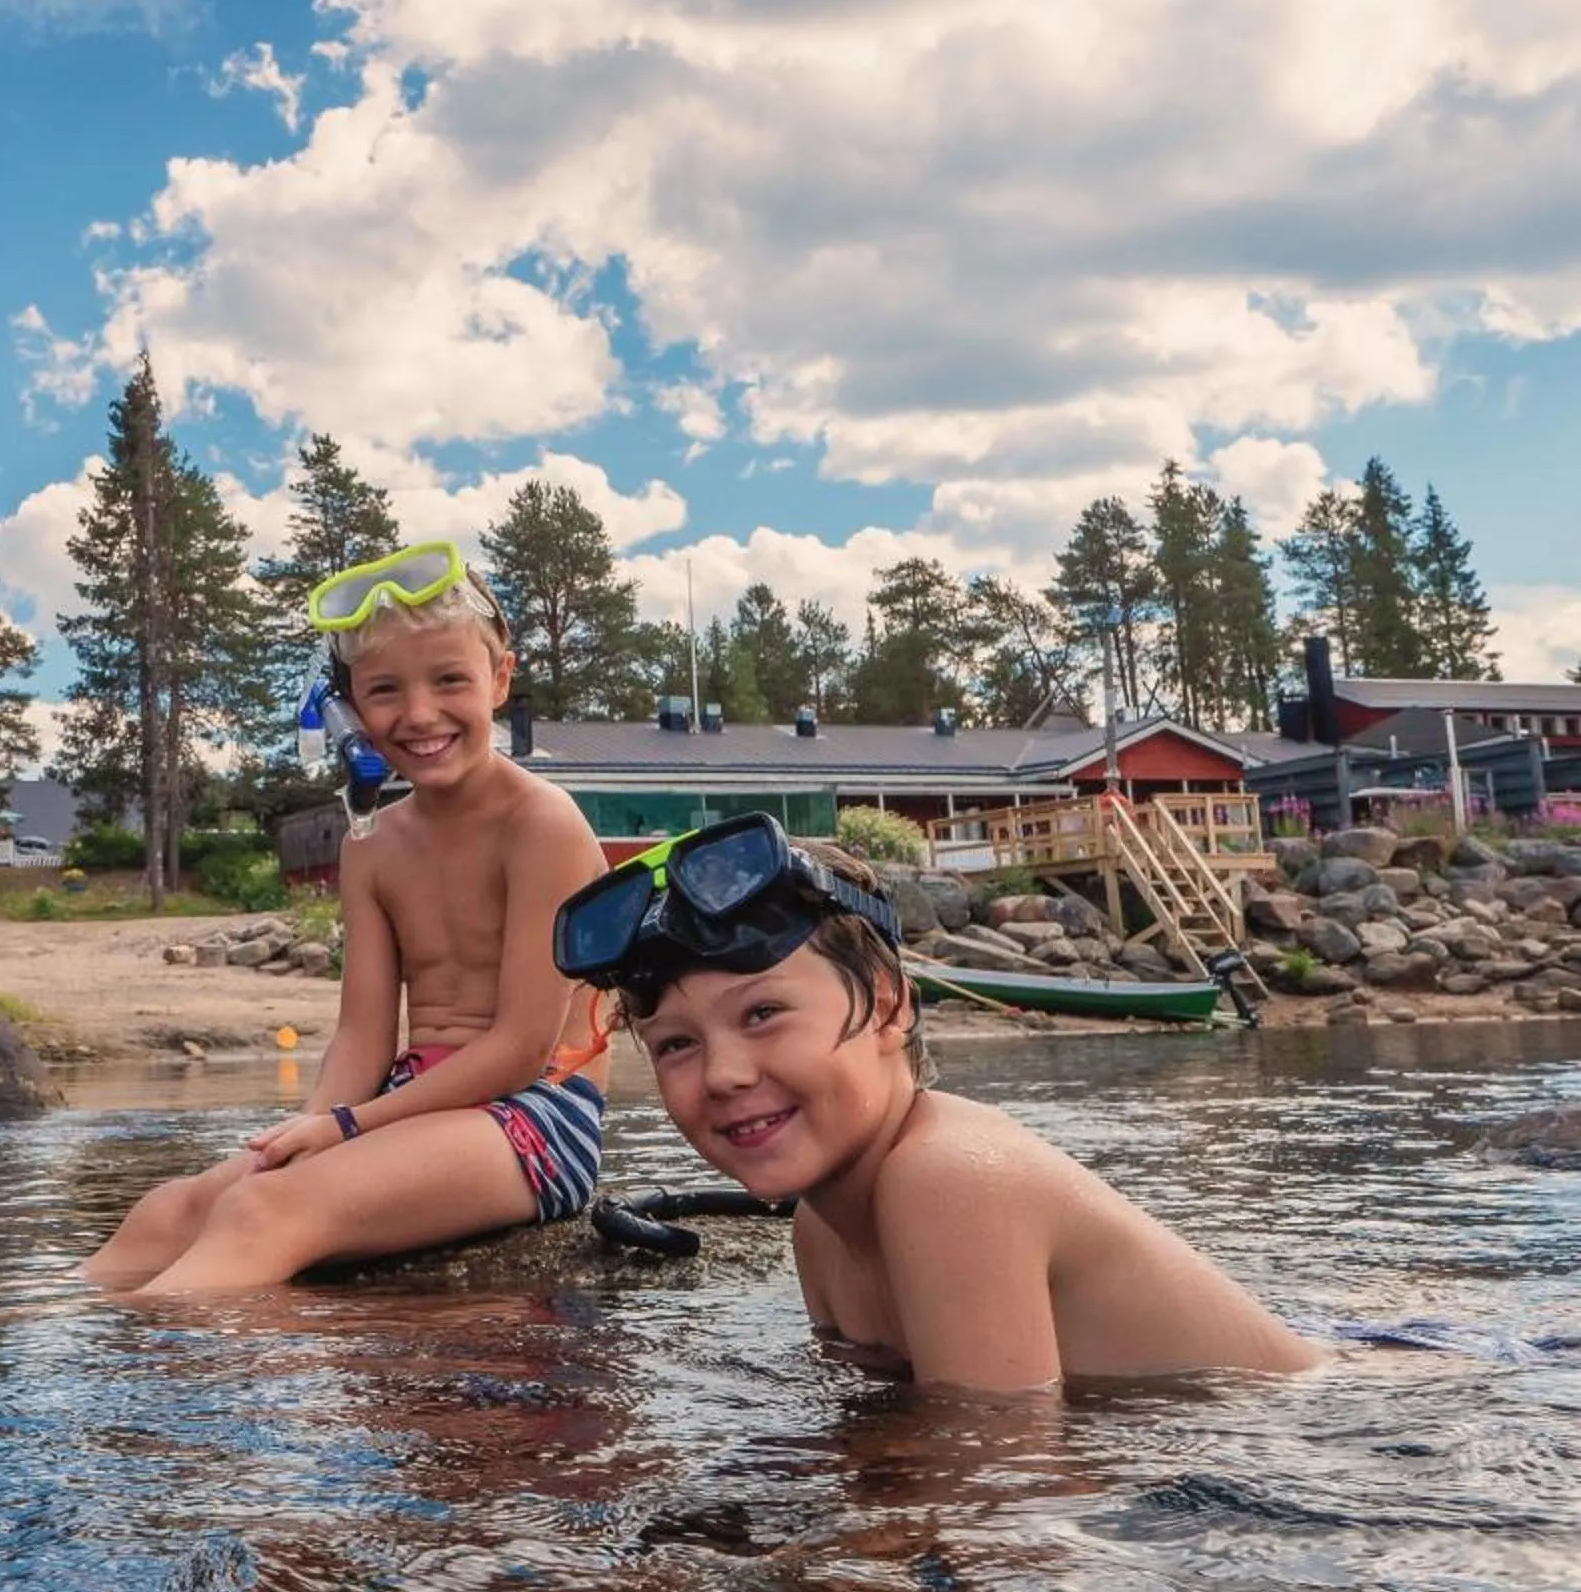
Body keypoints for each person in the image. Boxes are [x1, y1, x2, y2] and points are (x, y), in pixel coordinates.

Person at [555, 815, 1321, 1390]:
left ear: (889, 1006)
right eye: (676, 1046)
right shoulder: (819, 1231)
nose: (721, 1074)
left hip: (1297, 1436)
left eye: (762, 1015)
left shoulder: (950, 1177)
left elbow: (991, 1488)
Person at [82, 540, 613, 1293]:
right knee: (173, 1209)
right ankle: (34, 1339)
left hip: (534, 1116)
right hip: (400, 1105)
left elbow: (523, 1046)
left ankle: (129, 1395)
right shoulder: (370, 843)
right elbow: (364, 1035)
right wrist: (311, 1129)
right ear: (348, 707)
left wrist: (347, 1130)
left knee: (263, 1211)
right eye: (386, 691)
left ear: (499, 679)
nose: (419, 714)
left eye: (449, 681)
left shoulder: (542, 824)